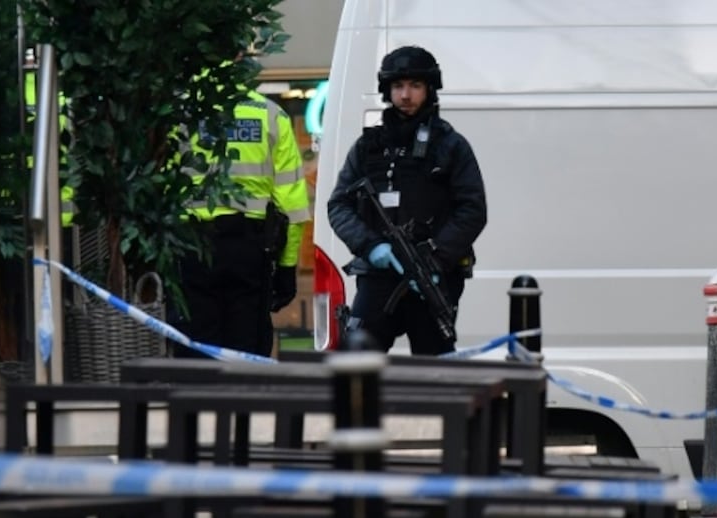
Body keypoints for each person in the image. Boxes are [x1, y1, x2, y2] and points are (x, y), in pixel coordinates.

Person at [327, 45, 487, 355]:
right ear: (388, 91)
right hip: (378, 276)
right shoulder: (367, 147)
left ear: (429, 89)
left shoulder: (450, 145)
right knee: (355, 361)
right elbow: (339, 206)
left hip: (433, 276)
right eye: (398, 86)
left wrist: (437, 256)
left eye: (415, 86)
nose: (406, 95)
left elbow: (473, 209)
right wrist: (371, 246)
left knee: (434, 369)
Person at [175, 81, 310, 358]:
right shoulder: (270, 115)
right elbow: (292, 203)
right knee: (247, 342)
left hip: (192, 243)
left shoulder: (181, 114)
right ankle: (241, 399)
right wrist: (287, 266)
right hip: (250, 247)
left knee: (196, 342)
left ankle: (195, 399)